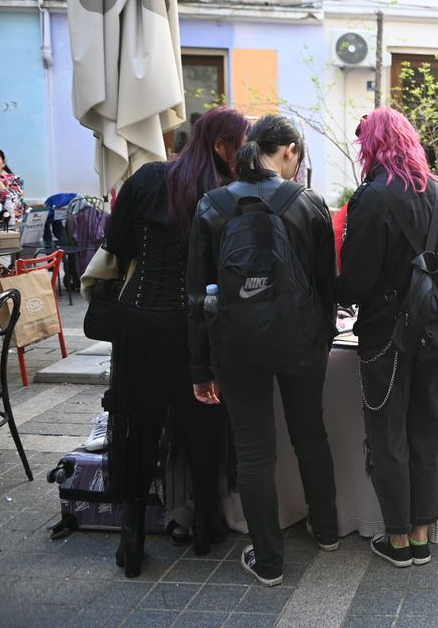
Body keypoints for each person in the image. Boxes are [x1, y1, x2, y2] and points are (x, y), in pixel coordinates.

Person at [187, 114, 339, 587]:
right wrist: (323, 338)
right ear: (289, 150)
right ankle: (327, 531)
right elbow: (326, 285)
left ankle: (269, 561)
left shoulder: (212, 206)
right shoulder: (308, 203)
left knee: (254, 454)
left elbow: (196, 296)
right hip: (301, 343)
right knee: (310, 435)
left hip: (236, 347)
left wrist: (200, 367)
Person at [102, 108, 247, 578]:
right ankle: (204, 524)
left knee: (138, 421)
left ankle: (131, 538)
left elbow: (116, 241)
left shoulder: (146, 178)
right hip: (195, 323)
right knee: (203, 419)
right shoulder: (226, 194)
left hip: (141, 318)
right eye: (240, 143)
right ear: (222, 145)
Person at [336, 107, 438, 567]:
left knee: (387, 432)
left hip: (385, 333)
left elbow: (356, 281)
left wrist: (330, 290)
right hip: (435, 329)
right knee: (428, 427)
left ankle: (398, 540)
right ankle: (422, 536)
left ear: (372, 146)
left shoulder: (370, 197)